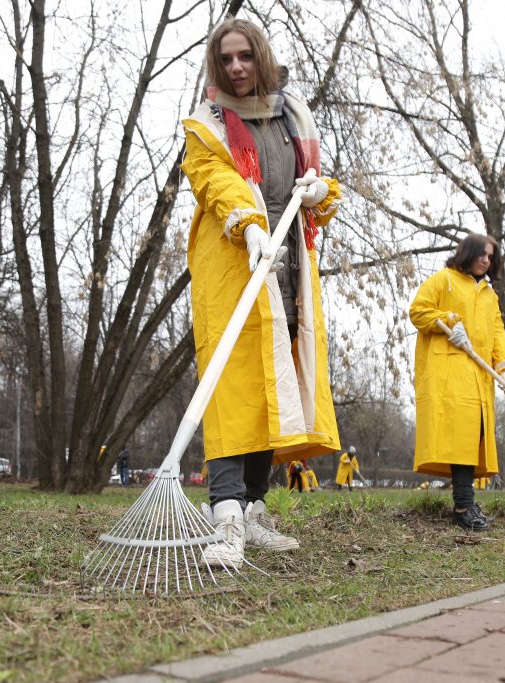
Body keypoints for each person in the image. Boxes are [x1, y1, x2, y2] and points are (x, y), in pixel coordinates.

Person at [181, 18, 343, 568]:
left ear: (261, 56)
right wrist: (247, 224)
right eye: (225, 59)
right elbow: (213, 179)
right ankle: (224, 520)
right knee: (233, 390)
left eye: (245, 56)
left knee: (274, 386)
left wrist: (322, 189)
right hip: (234, 265)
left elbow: (315, 188)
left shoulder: (291, 115)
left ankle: (252, 511)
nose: (236, 68)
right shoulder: (207, 125)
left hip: (289, 267)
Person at [409, 233, 505, 531]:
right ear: (467, 252)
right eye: (481, 253)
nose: (486, 260)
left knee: (473, 440)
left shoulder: (489, 295)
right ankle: (463, 505)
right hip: (450, 374)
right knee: (461, 441)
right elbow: (418, 311)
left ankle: (466, 502)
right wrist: (449, 324)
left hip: (480, 378)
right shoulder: (444, 280)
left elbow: (497, 335)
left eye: (490, 256)